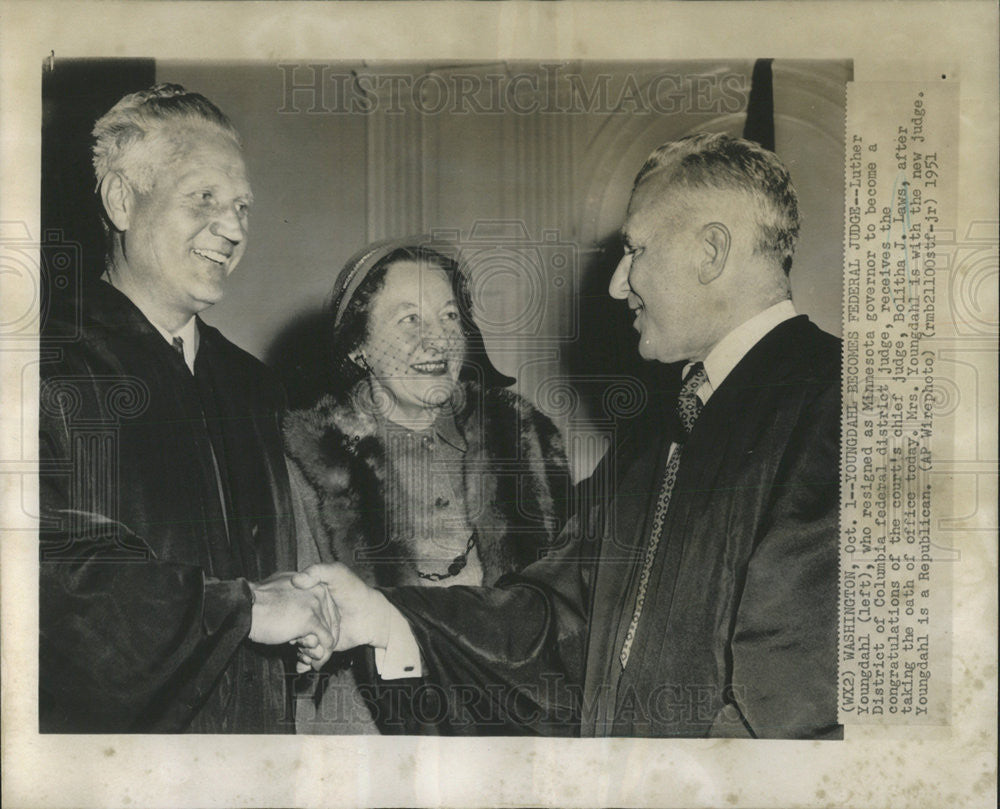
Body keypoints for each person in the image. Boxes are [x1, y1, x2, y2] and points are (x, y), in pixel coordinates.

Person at [292, 133, 843, 739]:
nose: (616, 283)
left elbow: (795, 708)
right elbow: (550, 621)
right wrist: (387, 613)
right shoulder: (657, 433)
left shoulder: (842, 404)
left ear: (710, 253)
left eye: (635, 250)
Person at [38, 84, 337, 733]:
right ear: (122, 199)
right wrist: (248, 608)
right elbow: (46, 582)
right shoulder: (42, 366)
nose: (232, 229)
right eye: (204, 198)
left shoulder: (251, 387)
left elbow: (246, 577)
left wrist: (294, 613)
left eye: (242, 207)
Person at [285, 241, 571, 733]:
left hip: (516, 723)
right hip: (374, 734)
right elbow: (298, 664)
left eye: (450, 317)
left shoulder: (526, 443)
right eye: (409, 320)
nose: (437, 340)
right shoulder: (310, 465)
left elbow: (571, 620)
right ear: (359, 345)